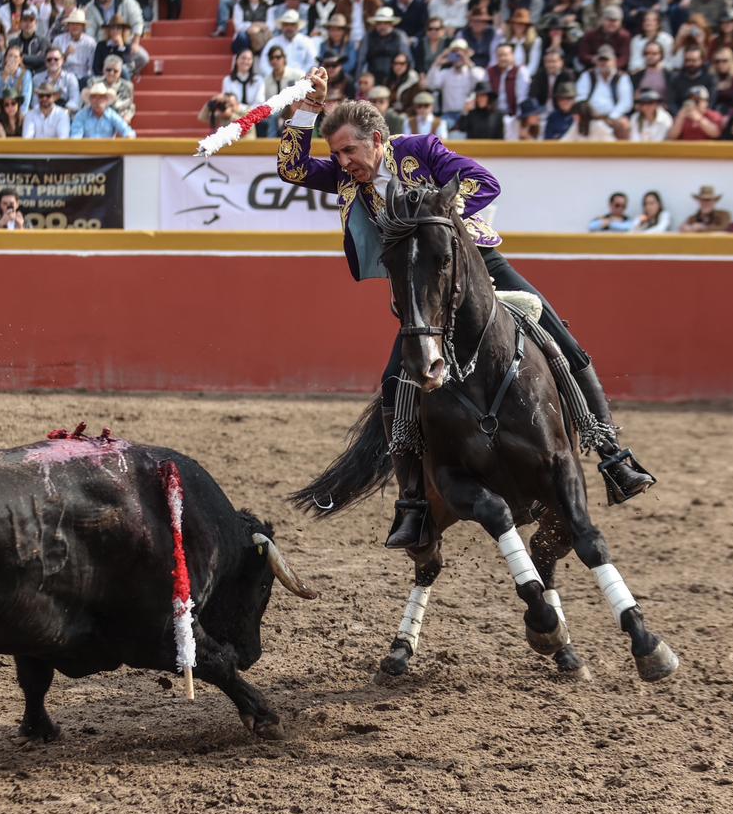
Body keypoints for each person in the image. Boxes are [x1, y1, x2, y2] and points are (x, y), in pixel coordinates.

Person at [276, 66, 656, 548]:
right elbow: (291, 168)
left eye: (349, 150)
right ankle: (412, 504)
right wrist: (310, 108)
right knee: (397, 385)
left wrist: (439, 225)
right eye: (337, 154)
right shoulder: (349, 178)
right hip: (426, 291)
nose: (343, 161)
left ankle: (612, 454)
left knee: (563, 340)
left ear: (376, 139)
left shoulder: (421, 151)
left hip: (478, 267)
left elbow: (484, 183)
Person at [33, 46, 80, 114]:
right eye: (49, 59)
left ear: (62, 60)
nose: (52, 61)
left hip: (66, 114)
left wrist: (61, 115)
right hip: (42, 114)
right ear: (45, 62)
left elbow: (74, 101)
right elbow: (35, 103)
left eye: (56, 59)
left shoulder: (71, 78)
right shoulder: (37, 78)